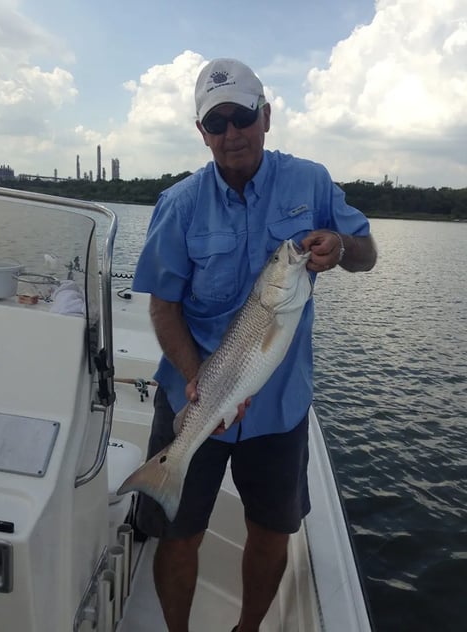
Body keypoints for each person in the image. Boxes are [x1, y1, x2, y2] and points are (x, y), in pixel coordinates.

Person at [132, 57, 377, 632]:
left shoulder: (309, 182)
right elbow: (162, 307)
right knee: (178, 531)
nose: (231, 134)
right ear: (202, 133)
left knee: (273, 529)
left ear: (265, 116)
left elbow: (366, 252)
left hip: (280, 403)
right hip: (194, 393)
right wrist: (198, 380)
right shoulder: (179, 204)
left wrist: (341, 245)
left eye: (241, 116)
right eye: (216, 124)